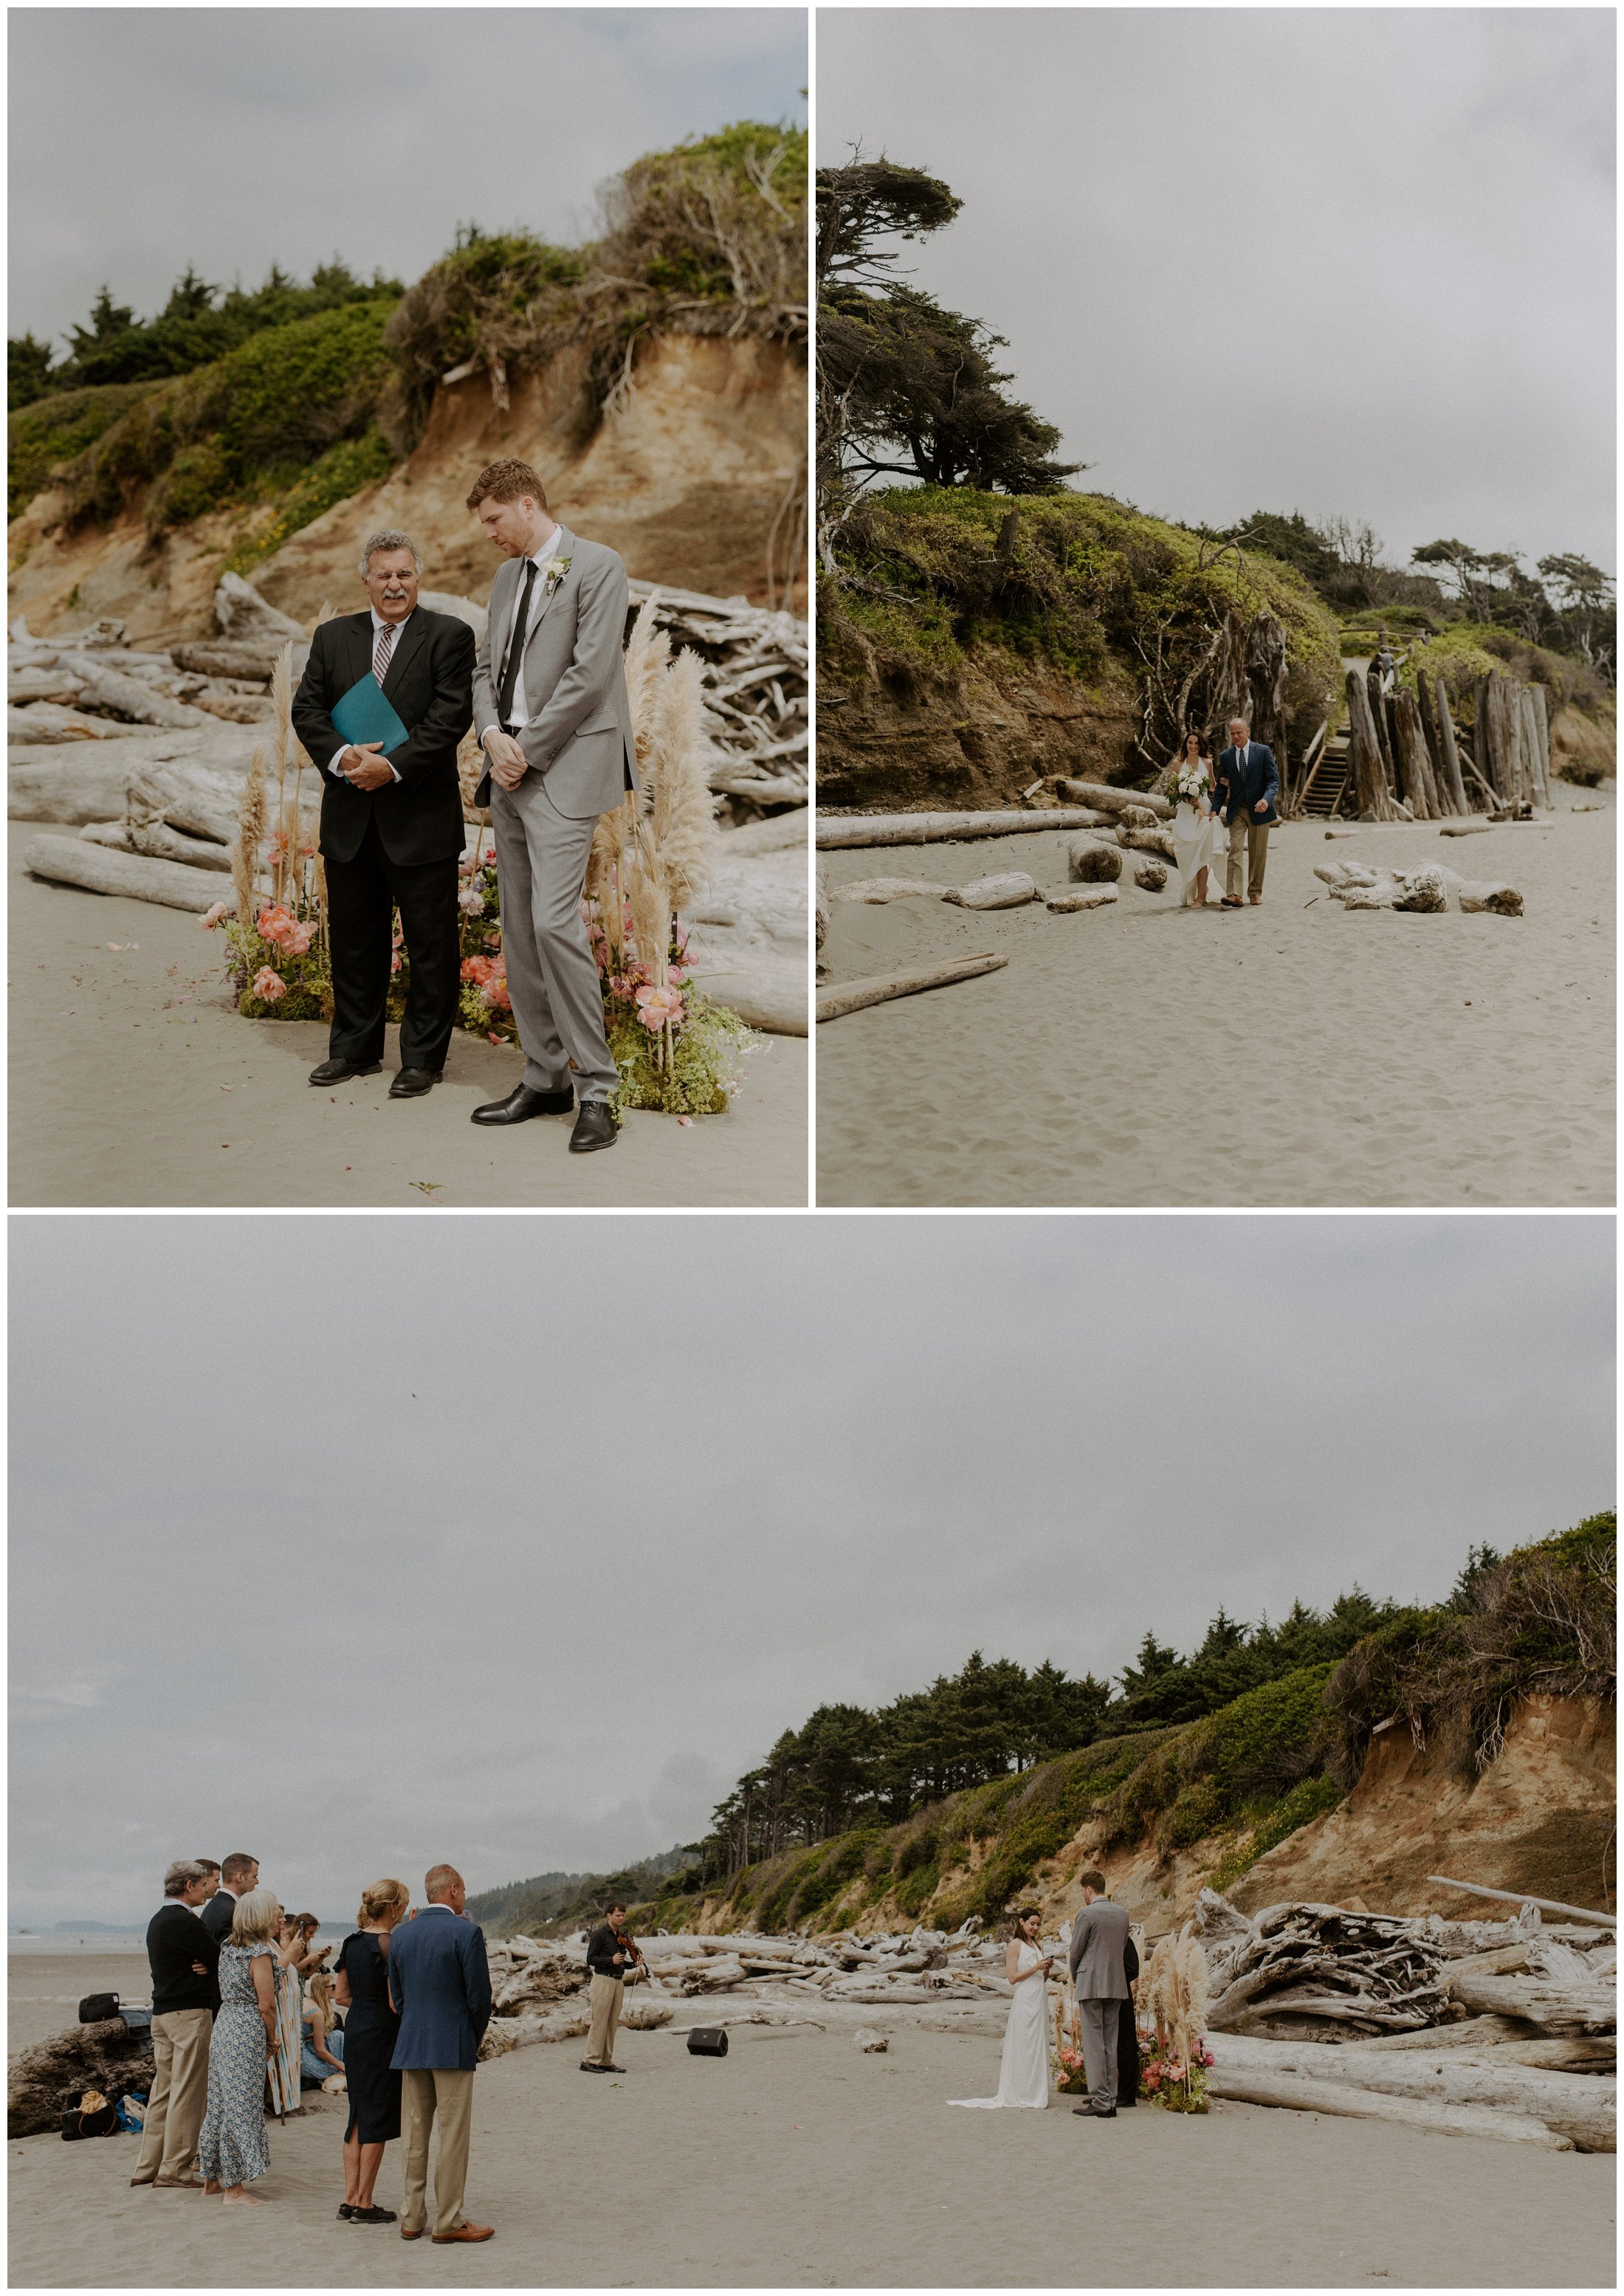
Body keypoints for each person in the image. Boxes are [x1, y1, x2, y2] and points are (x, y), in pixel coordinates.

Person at [467, 458, 639, 1154]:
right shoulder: (507, 578)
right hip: (507, 769)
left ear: (528, 506)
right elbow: (486, 669)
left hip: (563, 768)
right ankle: (544, 1077)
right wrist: (489, 737)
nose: (488, 535)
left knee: (555, 922)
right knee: (517, 927)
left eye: (493, 520)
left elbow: (592, 674)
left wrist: (525, 748)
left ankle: (598, 1087)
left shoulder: (599, 565)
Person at [291, 531, 477, 1098]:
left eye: (404, 574)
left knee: (430, 944)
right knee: (353, 940)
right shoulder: (332, 636)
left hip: (420, 817)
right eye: (383, 575)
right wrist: (344, 756)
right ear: (365, 579)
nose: (394, 584)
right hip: (349, 815)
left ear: (418, 577)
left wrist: (389, 768)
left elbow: (450, 718)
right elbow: (307, 708)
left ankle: (421, 1059)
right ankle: (353, 1049)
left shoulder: (449, 635)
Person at [388, 1864, 494, 2244]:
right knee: (451, 2137)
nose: (464, 1896)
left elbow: (397, 1999)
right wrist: (472, 2036)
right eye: (463, 1890)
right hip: (452, 2046)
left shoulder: (401, 1935)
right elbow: (480, 1998)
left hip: (411, 2046)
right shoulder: (467, 1933)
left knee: (414, 2136)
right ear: (452, 1890)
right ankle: (448, 2221)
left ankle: (412, 2217)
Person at [131, 1860, 219, 2189]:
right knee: (188, 2092)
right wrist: (209, 1968)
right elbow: (218, 1959)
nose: (206, 1891)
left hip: (162, 2013)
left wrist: (207, 1965)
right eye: (202, 1884)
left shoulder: (158, 1920)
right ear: (189, 1886)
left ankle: (147, 2166)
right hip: (188, 2013)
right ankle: (176, 2168)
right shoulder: (185, 1921)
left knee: (163, 2091)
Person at [198, 1886, 281, 2204]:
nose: (278, 1916)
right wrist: (272, 2038)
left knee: (219, 2105)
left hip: (225, 2025)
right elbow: (266, 2005)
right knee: (242, 2108)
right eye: (273, 1911)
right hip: (246, 2029)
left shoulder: (227, 1948)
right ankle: (234, 2189)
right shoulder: (258, 1953)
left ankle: (211, 2179)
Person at [334, 1878, 408, 2225]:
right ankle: (364, 2202)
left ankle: (349, 2199)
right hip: (382, 2032)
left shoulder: (351, 1942)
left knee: (358, 2115)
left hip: (356, 2029)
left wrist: (365, 2004)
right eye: (404, 1905)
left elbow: (340, 1997)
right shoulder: (388, 1944)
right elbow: (396, 2001)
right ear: (393, 1908)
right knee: (377, 2115)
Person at [946, 1907, 1054, 2109]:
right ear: (1021, 1922)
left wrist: (1046, 1969)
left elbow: (1043, 1978)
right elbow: (1013, 1978)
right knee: (1023, 2043)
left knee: (1038, 2043)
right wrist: (1035, 1967)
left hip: (1039, 1996)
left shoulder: (1038, 1945)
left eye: (1038, 1924)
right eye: (1032, 1924)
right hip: (1025, 1998)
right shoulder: (1015, 1945)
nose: (1035, 1928)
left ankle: (1035, 2090)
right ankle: (1020, 2091)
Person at [1068, 1870, 1131, 2121]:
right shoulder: (1123, 1914)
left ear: (1089, 1890)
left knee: (1093, 2043)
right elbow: (1122, 1948)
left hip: (1091, 1983)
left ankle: (1100, 2100)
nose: (1083, 1896)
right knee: (1109, 2042)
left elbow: (1075, 1952)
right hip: (1115, 1984)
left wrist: (1077, 1977)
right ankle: (1110, 2099)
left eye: (1083, 1891)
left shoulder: (1087, 1913)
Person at [1214, 717, 1279, 907]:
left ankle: (1255, 892)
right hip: (1238, 809)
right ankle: (1234, 894)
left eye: (1239, 732)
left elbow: (1273, 781)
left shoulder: (1263, 751)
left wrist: (1266, 800)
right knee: (1235, 848)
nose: (1235, 736)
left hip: (1260, 809)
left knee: (1258, 854)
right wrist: (1214, 811)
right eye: (1232, 733)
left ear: (1247, 731)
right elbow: (1221, 787)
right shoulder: (1225, 756)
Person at [581, 1900, 645, 2074]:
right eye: (618, 1915)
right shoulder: (599, 1935)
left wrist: (634, 1964)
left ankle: (606, 2060)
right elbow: (590, 1959)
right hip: (603, 1981)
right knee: (599, 2021)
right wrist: (610, 1960)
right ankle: (589, 2060)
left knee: (612, 2022)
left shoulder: (620, 1937)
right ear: (609, 1915)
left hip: (618, 1981)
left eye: (623, 1915)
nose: (621, 1918)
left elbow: (621, 1963)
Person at [1166, 730, 1220, 907]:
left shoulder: (1207, 762)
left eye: (1196, 743)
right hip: (1185, 811)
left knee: (1201, 853)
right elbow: (1172, 791)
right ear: (1186, 744)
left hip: (1203, 811)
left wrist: (1208, 786)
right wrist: (1184, 793)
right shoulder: (1177, 764)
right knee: (1186, 853)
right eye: (1190, 743)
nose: (1193, 746)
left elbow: (1212, 787)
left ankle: (1200, 897)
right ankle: (1197, 891)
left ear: (1201, 745)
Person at [268, 1909, 309, 2116]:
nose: (283, 1920)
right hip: (278, 2013)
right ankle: (277, 2102)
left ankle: (288, 2100)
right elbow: (276, 1974)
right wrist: (292, 1951)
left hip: (289, 2013)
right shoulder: (268, 1946)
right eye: (278, 1917)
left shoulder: (274, 1943)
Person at [199, 1853, 258, 1946]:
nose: (257, 1881)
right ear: (240, 1877)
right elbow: (228, 1956)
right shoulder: (232, 1911)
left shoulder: (216, 1905)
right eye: (254, 1876)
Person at [301, 1971, 345, 2089]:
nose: (336, 1989)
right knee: (333, 2070)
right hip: (300, 2054)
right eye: (333, 1987)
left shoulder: (306, 2001)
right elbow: (320, 2050)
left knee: (337, 2035)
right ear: (323, 1989)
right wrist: (342, 2066)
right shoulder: (317, 2013)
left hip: (300, 2046)